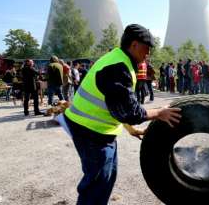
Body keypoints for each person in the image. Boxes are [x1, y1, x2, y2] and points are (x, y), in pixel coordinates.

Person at [64, 24, 181, 205]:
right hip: (90, 132)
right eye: (147, 47)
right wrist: (159, 113)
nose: (148, 53)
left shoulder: (121, 61)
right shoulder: (118, 67)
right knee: (97, 184)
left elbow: (116, 105)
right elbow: (130, 112)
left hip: (98, 131)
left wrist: (130, 129)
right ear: (134, 45)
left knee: (106, 177)